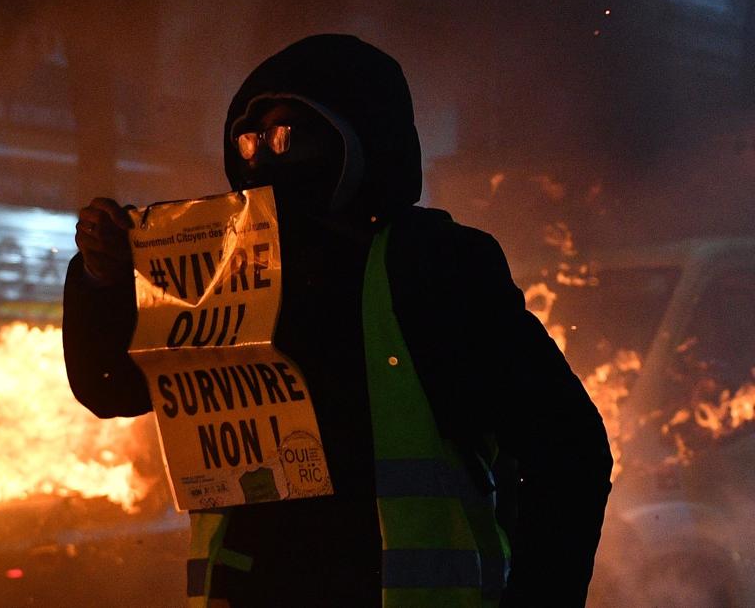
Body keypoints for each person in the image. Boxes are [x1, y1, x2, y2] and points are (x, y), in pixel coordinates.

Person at [63, 35, 612, 607]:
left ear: (357, 139)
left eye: (287, 137)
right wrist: (104, 283)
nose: (265, 158)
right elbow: (112, 388)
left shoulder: (432, 267)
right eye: (249, 141)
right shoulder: (224, 271)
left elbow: (568, 450)